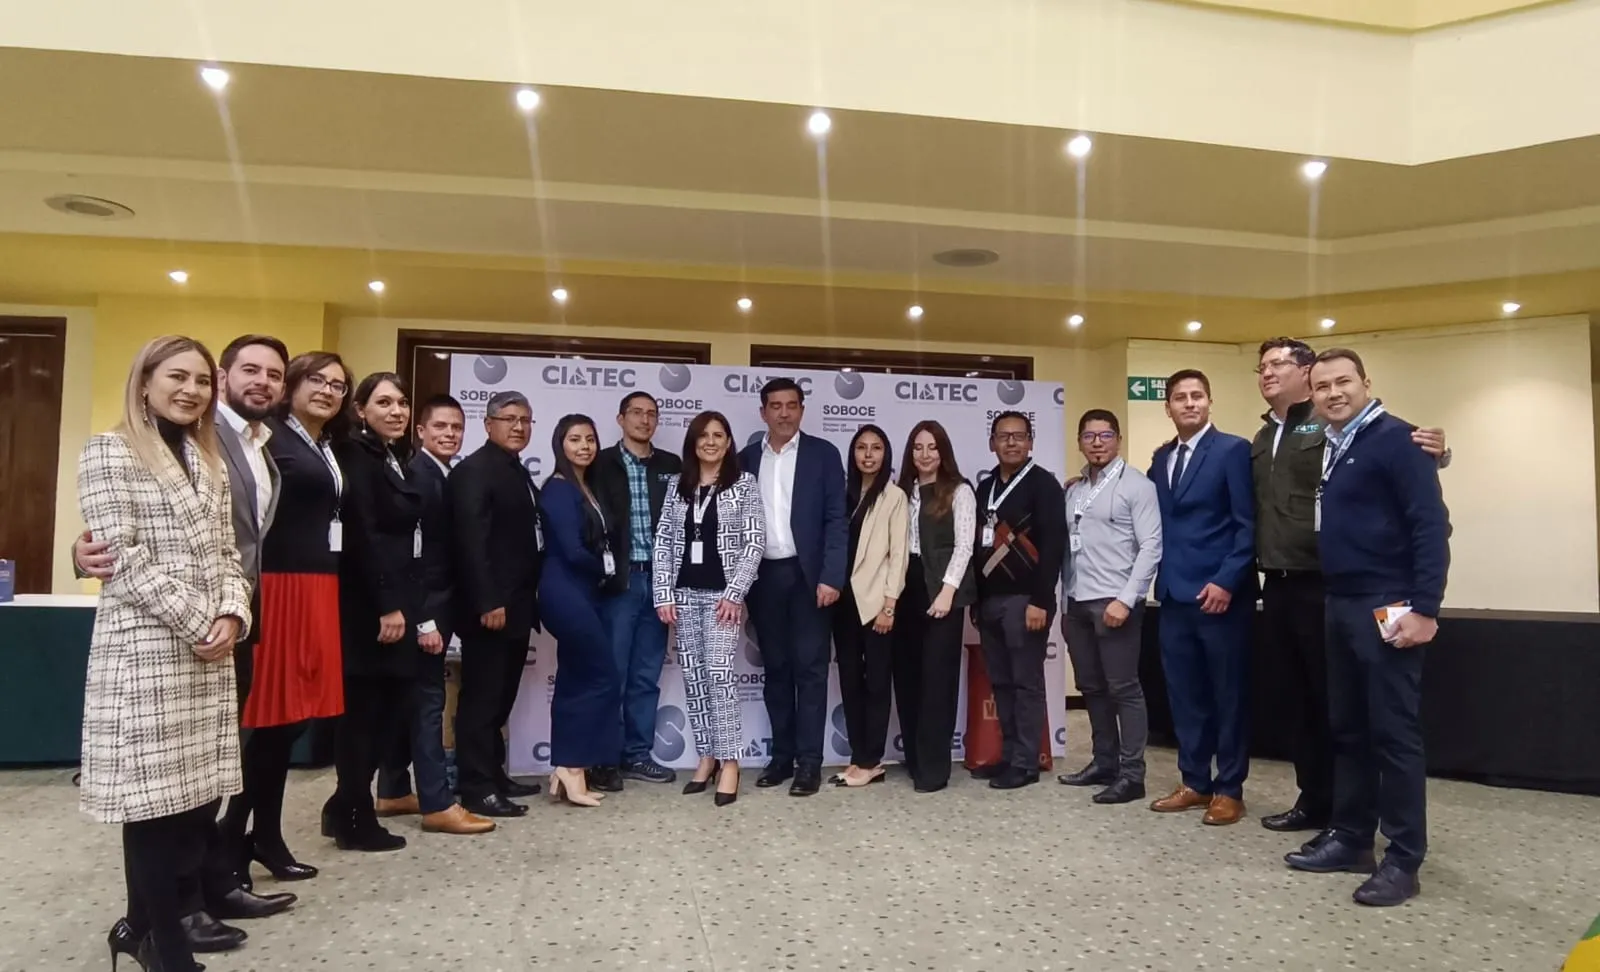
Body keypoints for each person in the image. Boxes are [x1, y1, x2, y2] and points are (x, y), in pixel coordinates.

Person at [77, 334, 297, 961]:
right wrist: (204, 619)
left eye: (200, 380)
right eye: (177, 377)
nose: (190, 390)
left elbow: (231, 552)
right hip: (147, 648)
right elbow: (119, 556)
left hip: (211, 651)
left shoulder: (208, 459)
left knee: (193, 799)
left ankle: (142, 927)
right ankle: (166, 946)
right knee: (151, 805)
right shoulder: (109, 450)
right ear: (144, 381)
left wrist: (232, 612)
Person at [1251, 338, 1449, 835]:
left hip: (1359, 592)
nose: (1333, 393)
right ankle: (1338, 822)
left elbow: (1428, 521)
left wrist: (1426, 606)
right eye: (1325, 386)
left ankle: (1397, 847)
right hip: (1306, 590)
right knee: (1334, 718)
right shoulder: (1281, 437)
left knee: (1386, 728)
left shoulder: (1377, 436)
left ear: (1365, 384)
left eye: (1342, 382)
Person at [226, 351, 354, 881]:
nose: (327, 390)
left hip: (317, 584)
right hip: (278, 585)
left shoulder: (325, 444)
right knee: (267, 723)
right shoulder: (270, 437)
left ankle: (266, 836)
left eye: (338, 385)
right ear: (291, 387)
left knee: (291, 723)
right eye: (316, 380)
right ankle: (230, 840)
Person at [375, 394, 495, 835]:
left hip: (435, 607)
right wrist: (426, 621)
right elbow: (414, 558)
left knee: (406, 702)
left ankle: (392, 790)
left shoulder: (443, 473)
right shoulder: (419, 476)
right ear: (421, 431)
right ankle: (437, 803)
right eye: (440, 426)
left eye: (456, 427)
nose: (449, 434)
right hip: (423, 611)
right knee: (428, 704)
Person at [318, 372, 426, 853]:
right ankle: (354, 816)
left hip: (397, 598)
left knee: (384, 712)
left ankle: (344, 805)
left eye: (402, 402)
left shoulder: (391, 455)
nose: (396, 411)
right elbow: (363, 535)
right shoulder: (356, 456)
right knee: (364, 716)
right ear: (360, 410)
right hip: (372, 608)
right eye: (384, 403)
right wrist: (388, 606)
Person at [1148, 369, 1256, 825]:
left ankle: (1229, 789)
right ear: (1168, 407)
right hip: (1174, 595)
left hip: (1220, 597)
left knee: (1227, 696)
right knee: (1185, 696)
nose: (1189, 403)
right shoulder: (1161, 459)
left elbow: (1248, 524)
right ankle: (1195, 781)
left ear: (1209, 402)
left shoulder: (1233, 450)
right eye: (1180, 397)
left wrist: (1227, 580)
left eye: (1197, 396)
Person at [737, 378, 848, 797]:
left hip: (810, 578)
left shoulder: (823, 454)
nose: (784, 413)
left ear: (802, 409)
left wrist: (831, 576)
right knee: (776, 670)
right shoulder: (745, 459)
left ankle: (809, 764)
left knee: (811, 671)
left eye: (791, 405)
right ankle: (781, 758)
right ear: (762, 412)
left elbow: (836, 519)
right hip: (763, 578)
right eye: (775, 406)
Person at [652, 411, 766, 807]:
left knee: (719, 677)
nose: (711, 442)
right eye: (704, 435)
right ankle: (707, 756)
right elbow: (664, 541)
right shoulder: (677, 485)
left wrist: (735, 593)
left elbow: (754, 542)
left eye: (719, 435)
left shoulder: (744, 484)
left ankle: (730, 761)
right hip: (684, 595)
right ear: (693, 443)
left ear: (729, 442)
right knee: (695, 679)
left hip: (723, 599)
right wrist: (663, 593)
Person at [1057, 409, 1162, 805]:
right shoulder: (1075, 490)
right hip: (1077, 601)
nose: (1097, 442)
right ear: (1080, 442)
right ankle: (1104, 763)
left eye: (1105, 435)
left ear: (1118, 439)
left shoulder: (1138, 486)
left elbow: (1151, 546)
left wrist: (1128, 598)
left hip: (1116, 602)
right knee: (1091, 687)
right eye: (1089, 436)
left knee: (1124, 688)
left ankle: (1133, 775)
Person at [451, 390, 545, 818]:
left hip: (518, 605)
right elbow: (471, 543)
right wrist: (487, 600)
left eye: (525, 420)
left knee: (501, 696)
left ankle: (493, 773)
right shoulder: (474, 471)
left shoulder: (514, 468)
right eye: (509, 419)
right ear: (488, 424)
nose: (518, 427)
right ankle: (475, 787)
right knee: (481, 699)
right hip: (490, 608)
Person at [592, 391, 683, 786]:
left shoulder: (671, 465)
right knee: (612, 672)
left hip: (660, 583)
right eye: (637, 413)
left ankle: (637, 755)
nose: (645, 420)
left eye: (651, 414)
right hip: (619, 582)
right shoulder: (600, 463)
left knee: (646, 675)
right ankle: (604, 759)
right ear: (620, 418)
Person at [972, 411, 1066, 791]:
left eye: (1018, 436)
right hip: (990, 602)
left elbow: (1054, 546)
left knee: (1026, 683)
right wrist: (977, 602)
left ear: (1030, 441)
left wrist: (1041, 600)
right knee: (1002, 682)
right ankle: (1009, 755)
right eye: (1003, 436)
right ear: (991, 442)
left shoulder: (1044, 485)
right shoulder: (985, 487)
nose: (1011, 442)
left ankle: (1026, 762)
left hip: (1027, 601)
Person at [540, 413, 623, 808]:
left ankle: (568, 767)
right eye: (575, 439)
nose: (584, 446)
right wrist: (606, 568)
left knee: (575, 678)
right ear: (560, 444)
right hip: (564, 592)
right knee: (600, 676)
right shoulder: (558, 489)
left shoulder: (585, 485)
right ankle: (572, 766)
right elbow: (573, 551)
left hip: (584, 592)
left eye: (590, 439)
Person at [893, 420, 977, 794]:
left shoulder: (959, 491)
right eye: (918, 447)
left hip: (942, 590)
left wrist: (947, 592)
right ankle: (914, 759)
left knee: (937, 681)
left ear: (943, 451)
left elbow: (964, 546)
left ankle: (933, 769)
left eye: (932, 447)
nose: (925, 454)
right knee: (908, 677)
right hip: (906, 588)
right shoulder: (901, 492)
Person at [830, 424, 908, 788]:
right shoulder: (842, 493)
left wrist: (889, 606)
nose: (868, 454)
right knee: (849, 681)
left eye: (876, 448)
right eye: (861, 447)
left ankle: (871, 760)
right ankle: (857, 756)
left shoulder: (894, 497)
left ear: (885, 454)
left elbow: (898, 556)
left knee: (876, 682)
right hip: (841, 601)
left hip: (877, 603)